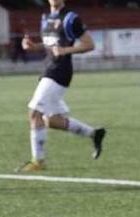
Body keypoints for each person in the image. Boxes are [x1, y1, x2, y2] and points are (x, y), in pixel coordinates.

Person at [17, 0, 105, 172]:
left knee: (34, 112)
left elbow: (89, 44)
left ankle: (38, 162)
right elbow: (51, 44)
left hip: (60, 71)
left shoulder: (70, 18)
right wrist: (34, 46)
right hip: (48, 68)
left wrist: (65, 51)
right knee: (51, 121)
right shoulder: (46, 18)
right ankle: (94, 133)